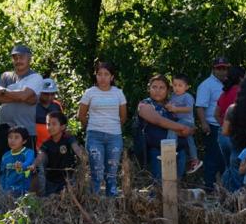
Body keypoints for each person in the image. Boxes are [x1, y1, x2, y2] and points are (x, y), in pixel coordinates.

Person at [77, 61, 127, 197]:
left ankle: (112, 201)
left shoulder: (118, 93)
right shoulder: (89, 93)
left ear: (112, 77)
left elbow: (123, 117)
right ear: (96, 76)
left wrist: (112, 126)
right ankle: (94, 200)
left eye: (106, 74)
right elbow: (81, 115)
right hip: (94, 136)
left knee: (112, 173)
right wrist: (92, 126)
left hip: (114, 137)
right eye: (99, 74)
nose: (103, 77)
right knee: (97, 172)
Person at [137, 74, 195, 183]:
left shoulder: (173, 105)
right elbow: (158, 120)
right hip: (157, 152)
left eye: (162, 87)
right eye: (154, 87)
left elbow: (190, 126)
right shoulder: (145, 103)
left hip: (180, 151)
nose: (157, 90)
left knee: (176, 185)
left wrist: (187, 129)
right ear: (149, 89)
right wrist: (181, 127)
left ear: (168, 90)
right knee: (160, 185)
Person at [0, 43, 43, 151]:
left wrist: (3, 91)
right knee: (3, 160)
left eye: (21, 57)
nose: (18, 60)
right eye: (15, 58)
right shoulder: (5, 76)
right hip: (5, 129)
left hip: (26, 131)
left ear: (29, 59)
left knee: (26, 161)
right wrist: (21, 97)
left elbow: (23, 96)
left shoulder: (36, 77)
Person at [195, 56, 230, 190]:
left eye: (224, 68)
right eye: (219, 68)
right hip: (212, 125)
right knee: (212, 157)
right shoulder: (206, 85)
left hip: (226, 126)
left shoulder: (228, 83)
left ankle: (224, 186)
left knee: (224, 157)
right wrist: (204, 124)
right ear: (213, 69)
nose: (222, 71)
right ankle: (209, 186)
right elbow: (200, 106)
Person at [37, 112, 80, 196]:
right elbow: (40, 155)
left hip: (68, 180)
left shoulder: (69, 139)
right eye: (48, 124)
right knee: (51, 200)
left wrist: (83, 157)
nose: (50, 127)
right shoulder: (46, 143)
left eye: (54, 124)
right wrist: (34, 164)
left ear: (62, 127)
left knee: (68, 200)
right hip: (51, 181)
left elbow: (76, 148)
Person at [167, 73, 201, 174]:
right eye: (174, 85)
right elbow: (169, 106)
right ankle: (195, 160)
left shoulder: (187, 96)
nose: (177, 88)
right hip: (179, 120)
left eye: (180, 85)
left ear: (186, 87)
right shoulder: (173, 96)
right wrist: (168, 106)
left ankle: (170, 150)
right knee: (190, 140)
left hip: (187, 121)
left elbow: (189, 108)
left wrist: (176, 109)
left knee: (173, 128)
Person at [0, 126, 36, 199]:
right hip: (7, 192)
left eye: (16, 137)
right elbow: (2, 174)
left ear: (24, 141)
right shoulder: (5, 156)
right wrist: (2, 189)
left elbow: (28, 162)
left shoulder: (28, 152)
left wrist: (22, 165)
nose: (12, 140)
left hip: (23, 191)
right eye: (10, 137)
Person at [34, 78, 63, 147]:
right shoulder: (32, 105)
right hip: (36, 144)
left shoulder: (57, 105)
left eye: (52, 94)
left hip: (54, 144)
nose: (49, 97)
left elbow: (62, 123)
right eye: (46, 94)